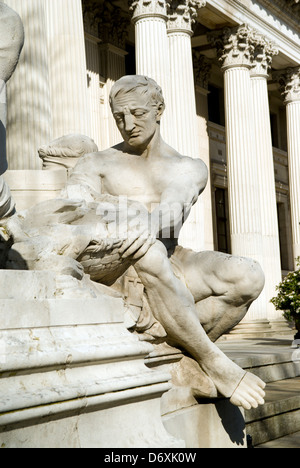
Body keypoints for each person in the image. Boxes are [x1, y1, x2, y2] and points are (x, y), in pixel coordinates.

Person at [65, 75, 266, 410]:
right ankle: (215, 364)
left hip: (171, 255)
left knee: (248, 275)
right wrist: (132, 227)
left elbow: (173, 208)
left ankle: (185, 353)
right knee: (148, 250)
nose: (128, 125)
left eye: (137, 113)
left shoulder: (187, 167)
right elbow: (73, 211)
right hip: (114, 263)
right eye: (119, 117)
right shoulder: (95, 163)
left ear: (158, 110)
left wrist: (147, 223)